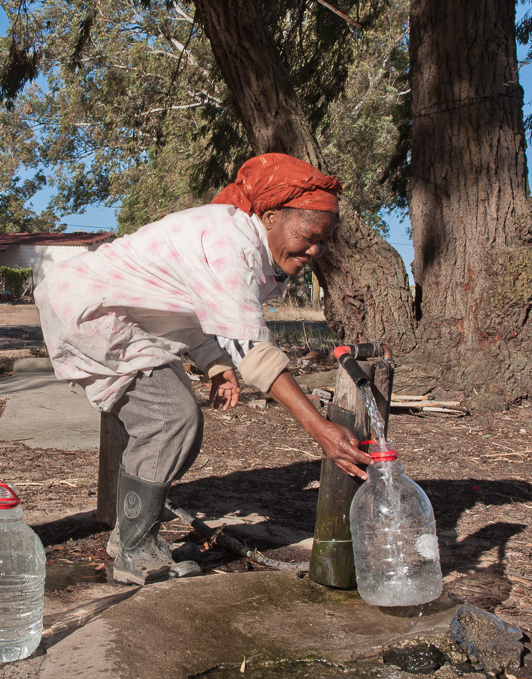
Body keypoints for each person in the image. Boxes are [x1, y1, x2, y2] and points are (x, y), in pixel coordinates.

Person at [34, 153, 371, 585]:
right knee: (170, 420)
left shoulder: (239, 238)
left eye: (323, 242)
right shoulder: (230, 245)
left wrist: (213, 362)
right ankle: (131, 550)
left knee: (176, 426)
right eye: (307, 236)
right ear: (270, 216)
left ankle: (133, 539)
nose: (314, 250)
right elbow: (255, 353)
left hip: (113, 311)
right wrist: (319, 428)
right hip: (89, 312)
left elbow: (186, 307)